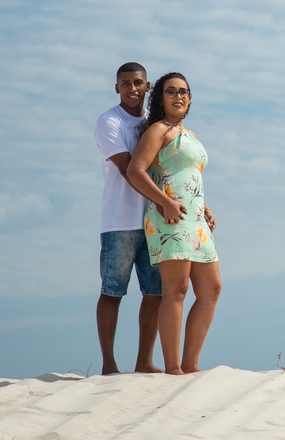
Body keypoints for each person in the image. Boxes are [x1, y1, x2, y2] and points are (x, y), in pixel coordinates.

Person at [94, 63, 213, 375]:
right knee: (113, 290)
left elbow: (176, 170)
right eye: (125, 84)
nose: (132, 89)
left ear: (147, 88)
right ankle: (110, 365)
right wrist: (163, 201)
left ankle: (147, 361)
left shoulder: (158, 122)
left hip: (167, 216)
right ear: (117, 88)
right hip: (124, 217)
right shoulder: (112, 121)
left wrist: (201, 206)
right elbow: (130, 169)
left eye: (138, 83)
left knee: (159, 291)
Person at [126, 72, 222, 375]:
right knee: (177, 289)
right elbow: (136, 171)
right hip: (169, 216)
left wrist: (205, 207)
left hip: (196, 219)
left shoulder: (189, 134)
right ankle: (174, 368)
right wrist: (165, 202)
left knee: (211, 289)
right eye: (171, 91)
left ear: (190, 99)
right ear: (160, 98)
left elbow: (186, 173)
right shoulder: (158, 129)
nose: (178, 96)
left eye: (183, 92)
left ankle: (192, 364)